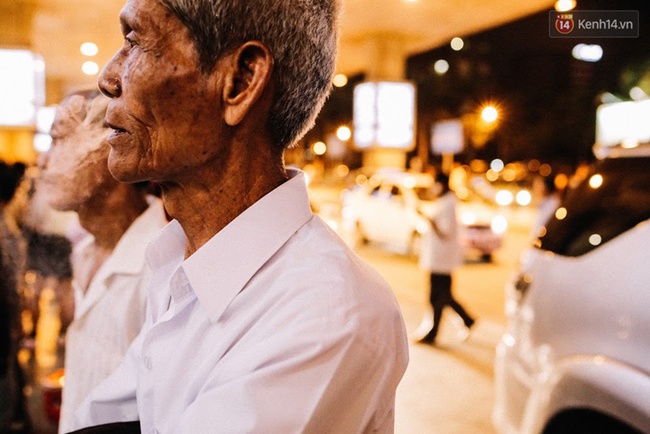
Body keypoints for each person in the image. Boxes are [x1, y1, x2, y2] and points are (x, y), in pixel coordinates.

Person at [68, 0, 409, 432]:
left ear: (241, 80)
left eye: (135, 41)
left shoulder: (326, 317)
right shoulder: (182, 262)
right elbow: (108, 415)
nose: (108, 77)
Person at [33, 89, 168, 433]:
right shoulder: (84, 252)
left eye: (59, 139)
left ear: (115, 146)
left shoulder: (163, 265)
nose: (43, 161)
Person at [417, 172, 475, 345]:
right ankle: (466, 320)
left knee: (439, 297)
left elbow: (445, 232)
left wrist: (429, 219)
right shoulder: (444, 202)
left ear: (441, 184)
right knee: (441, 296)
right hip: (438, 258)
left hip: (442, 259)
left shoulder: (449, 204)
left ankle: (434, 332)